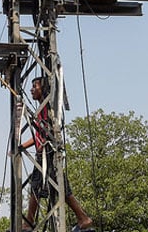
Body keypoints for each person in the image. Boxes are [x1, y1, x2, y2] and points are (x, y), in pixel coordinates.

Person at [20, 77, 93, 232]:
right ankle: (83, 218)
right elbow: (39, 135)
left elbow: (46, 132)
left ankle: (29, 222)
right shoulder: (42, 109)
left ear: (43, 88)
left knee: (36, 187)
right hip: (46, 153)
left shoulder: (47, 108)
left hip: (48, 153)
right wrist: (21, 146)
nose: (32, 89)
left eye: (35, 86)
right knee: (60, 189)